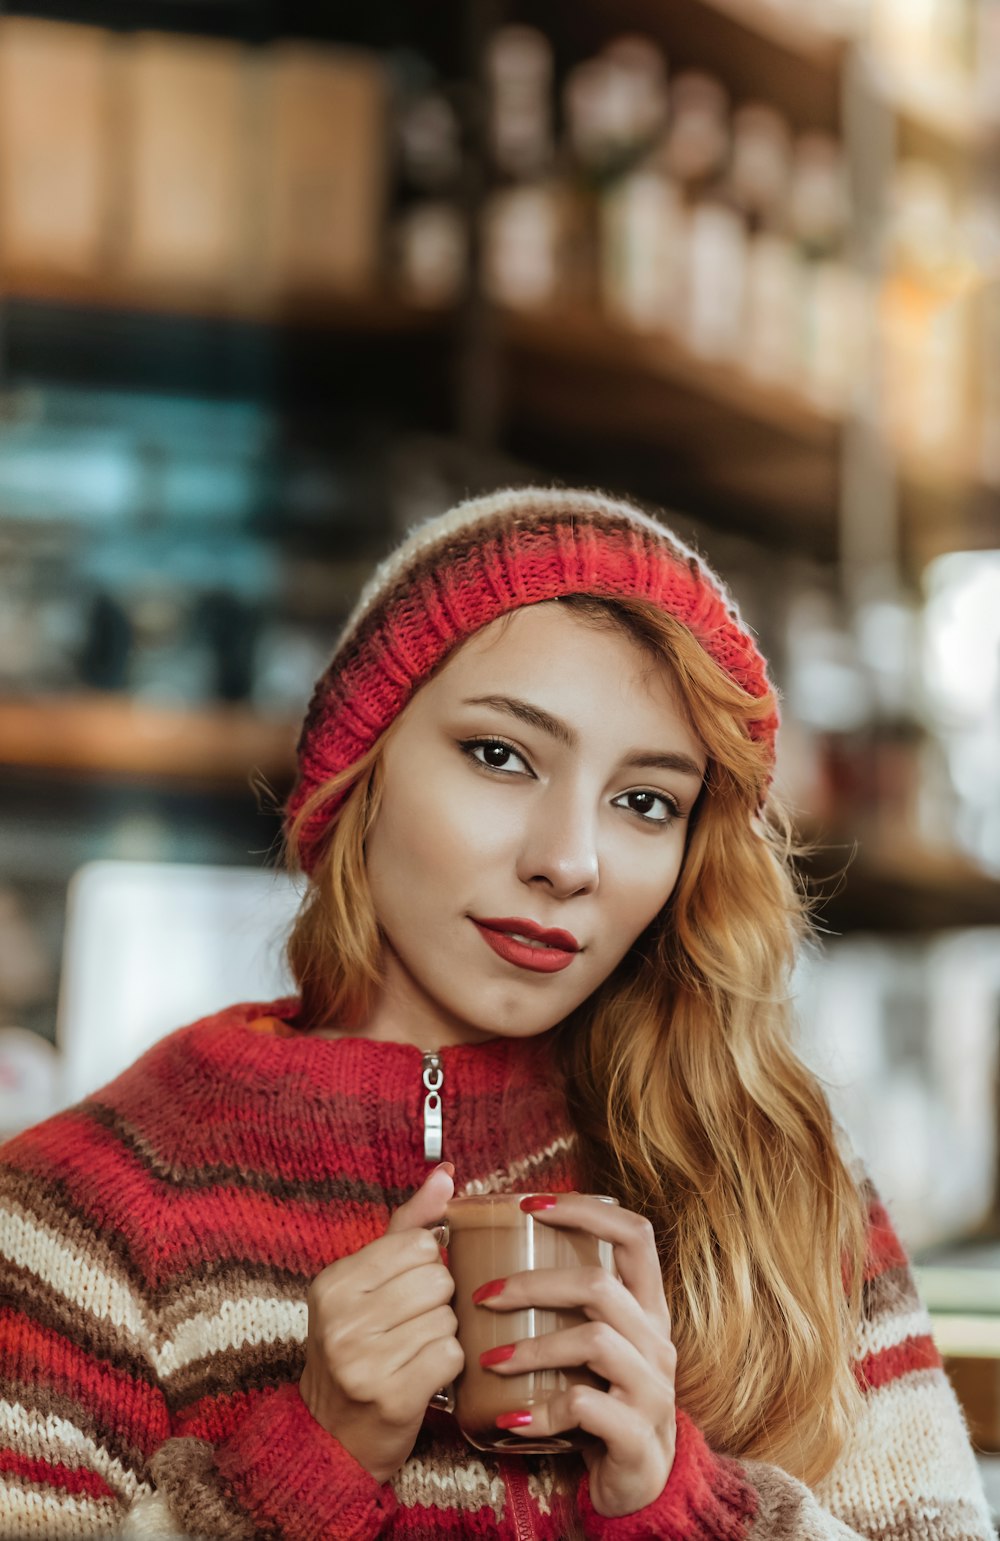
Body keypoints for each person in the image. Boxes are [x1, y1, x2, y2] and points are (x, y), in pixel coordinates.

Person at [0, 486, 991, 1540]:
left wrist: (687, 1511)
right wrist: (286, 1483)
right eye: (500, 754)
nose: (569, 859)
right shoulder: (81, 1211)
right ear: (357, 766)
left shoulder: (780, 1177)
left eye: (645, 800)